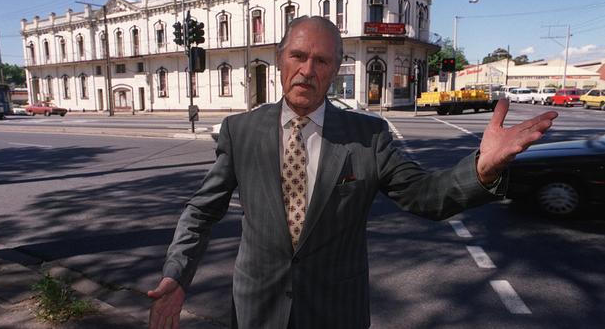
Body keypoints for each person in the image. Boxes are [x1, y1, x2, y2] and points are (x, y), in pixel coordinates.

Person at [148, 16, 557, 329]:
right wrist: (176, 275)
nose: (308, 70)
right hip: (258, 310)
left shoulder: (369, 136)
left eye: (321, 60)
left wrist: (481, 169)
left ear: (336, 68)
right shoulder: (241, 131)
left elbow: (425, 196)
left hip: (337, 311)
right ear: (279, 61)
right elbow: (202, 211)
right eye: (298, 56)